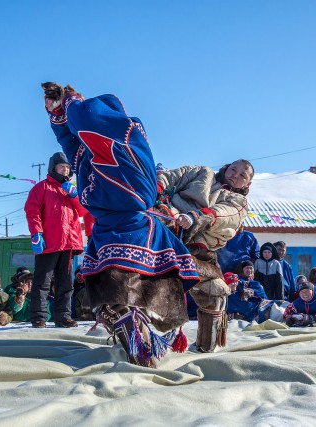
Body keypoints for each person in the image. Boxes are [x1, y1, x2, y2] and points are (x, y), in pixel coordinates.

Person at [43, 82, 199, 366]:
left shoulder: (127, 135)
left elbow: (87, 116)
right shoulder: (94, 150)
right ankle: (139, 344)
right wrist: (57, 115)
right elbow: (71, 140)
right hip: (108, 226)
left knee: (128, 293)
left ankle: (144, 345)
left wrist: (70, 101)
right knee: (113, 298)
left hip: (133, 225)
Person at [154, 158, 253, 352]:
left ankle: (206, 347)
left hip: (198, 249)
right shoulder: (203, 172)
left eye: (243, 175)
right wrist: (155, 189)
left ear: (248, 183)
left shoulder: (239, 203)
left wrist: (196, 217)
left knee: (216, 295)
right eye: (234, 169)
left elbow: (224, 214)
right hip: (166, 226)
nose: (235, 175)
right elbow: (172, 177)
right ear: (226, 168)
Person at [24, 152, 87, 329]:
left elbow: (83, 212)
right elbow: (32, 211)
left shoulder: (72, 189)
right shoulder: (41, 188)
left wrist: (74, 195)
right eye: (62, 167)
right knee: (42, 282)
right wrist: (36, 233)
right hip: (49, 243)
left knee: (66, 283)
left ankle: (63, 317)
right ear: (53, 168)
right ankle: (38, 317)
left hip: (68, 243)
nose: (65, 170)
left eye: (67, 168)